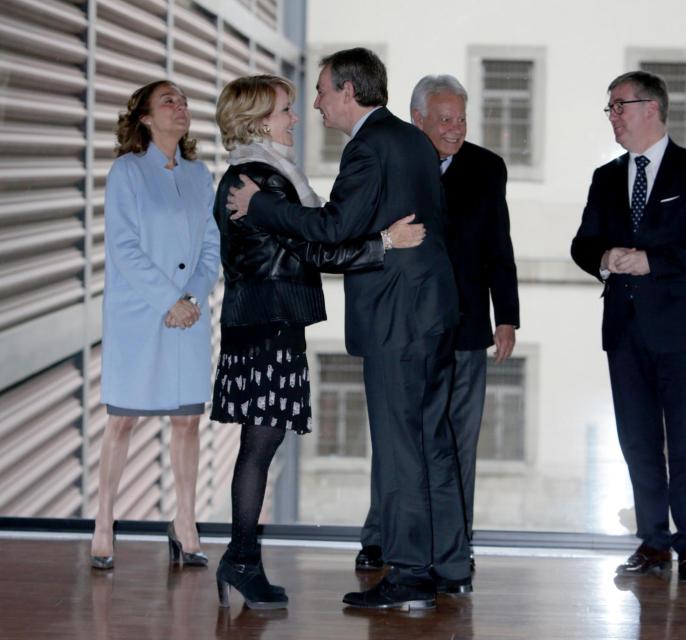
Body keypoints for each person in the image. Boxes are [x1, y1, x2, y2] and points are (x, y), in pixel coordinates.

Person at [227, 48, 470, 611]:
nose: (315, 104)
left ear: (348, 91)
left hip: (397, 319)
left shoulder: (368, 145)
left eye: (320, 91)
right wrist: (381, 241)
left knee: (400, 449)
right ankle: (444, 566)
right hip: (431, 312)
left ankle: (409, 576)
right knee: (432, 444)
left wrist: (260, 207)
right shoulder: (411, 139)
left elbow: (333, 229)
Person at [571, 70, 686, 584]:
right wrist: (605, 257)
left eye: (620, 105)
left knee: (685, 442)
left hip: (684, 331)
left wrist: (652, 261)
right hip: (625, 330)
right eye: (610, 108)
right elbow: (582, 244)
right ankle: (653, 543)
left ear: (652, 108)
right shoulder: (606, 177)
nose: (613, 116)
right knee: (637, 443)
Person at [354, 74, 520, 574]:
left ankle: (454, 543)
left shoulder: (488, 168)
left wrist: (507, 317)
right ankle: (380, 536)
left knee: (457, 442)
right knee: (396, 439)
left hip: (466, 329)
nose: (455, 129)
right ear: (417, 119)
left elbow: (498, 246)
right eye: (445, 119)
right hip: (404, 329)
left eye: (461, 119)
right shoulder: (393, 160)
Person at [92, 80, 220, 570]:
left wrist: (192, 298)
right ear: (144, 117)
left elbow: (212, 244)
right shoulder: (127, 172)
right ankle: (104, 522)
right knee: (122, 420)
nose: (180, 107)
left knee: (187, 421)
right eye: (169, 101)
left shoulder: (200, 175)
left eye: (184, 101)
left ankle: (185, 523)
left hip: (188, 316)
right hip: (141, 315)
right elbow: (123, 247)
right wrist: (169, 299)